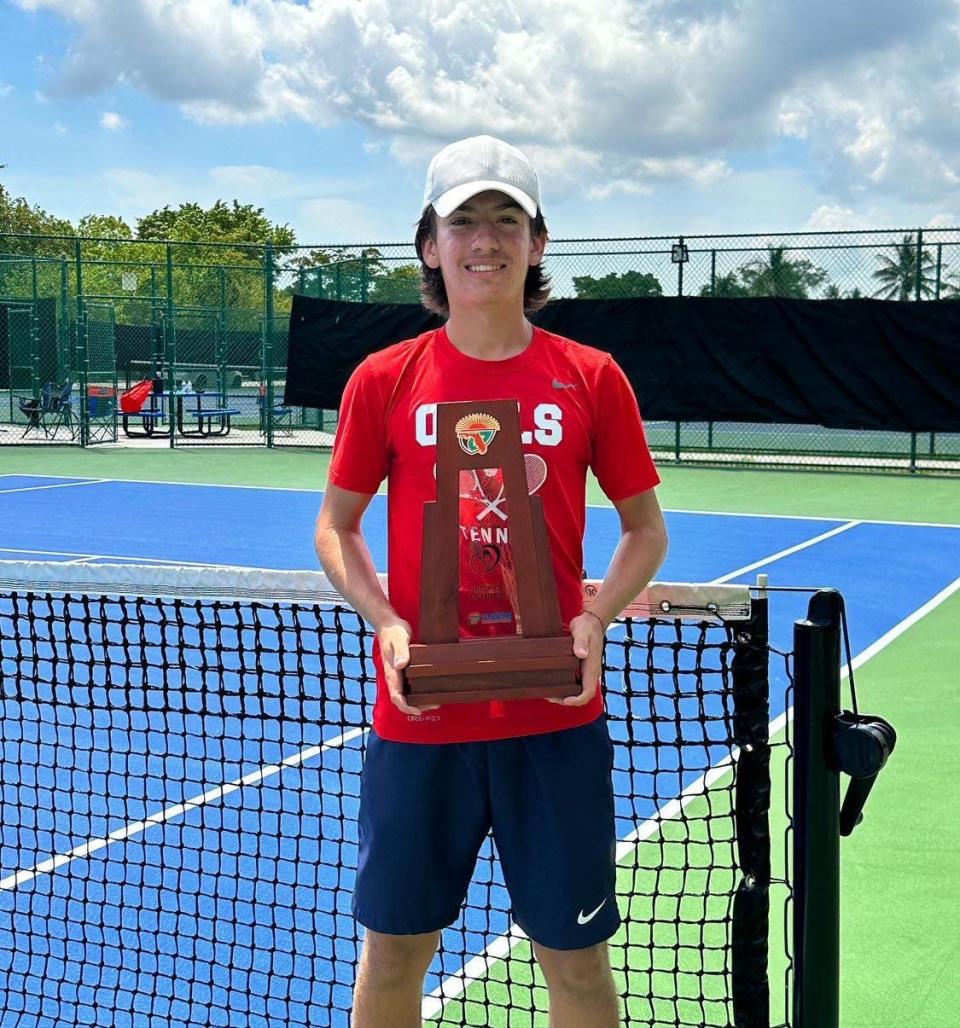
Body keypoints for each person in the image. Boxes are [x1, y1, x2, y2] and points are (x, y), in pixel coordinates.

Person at [315, 135, 668, 1028]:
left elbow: (643, 532)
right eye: (462, 221)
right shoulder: (382, 379)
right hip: (420, 719)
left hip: (555, 722)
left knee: (576, 966)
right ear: (429, 245)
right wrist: (387, 622)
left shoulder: (593, 377)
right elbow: (337, 529)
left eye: (506, 219)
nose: (485, 240)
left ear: (538, 242)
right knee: (393, 954)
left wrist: (596, 616)